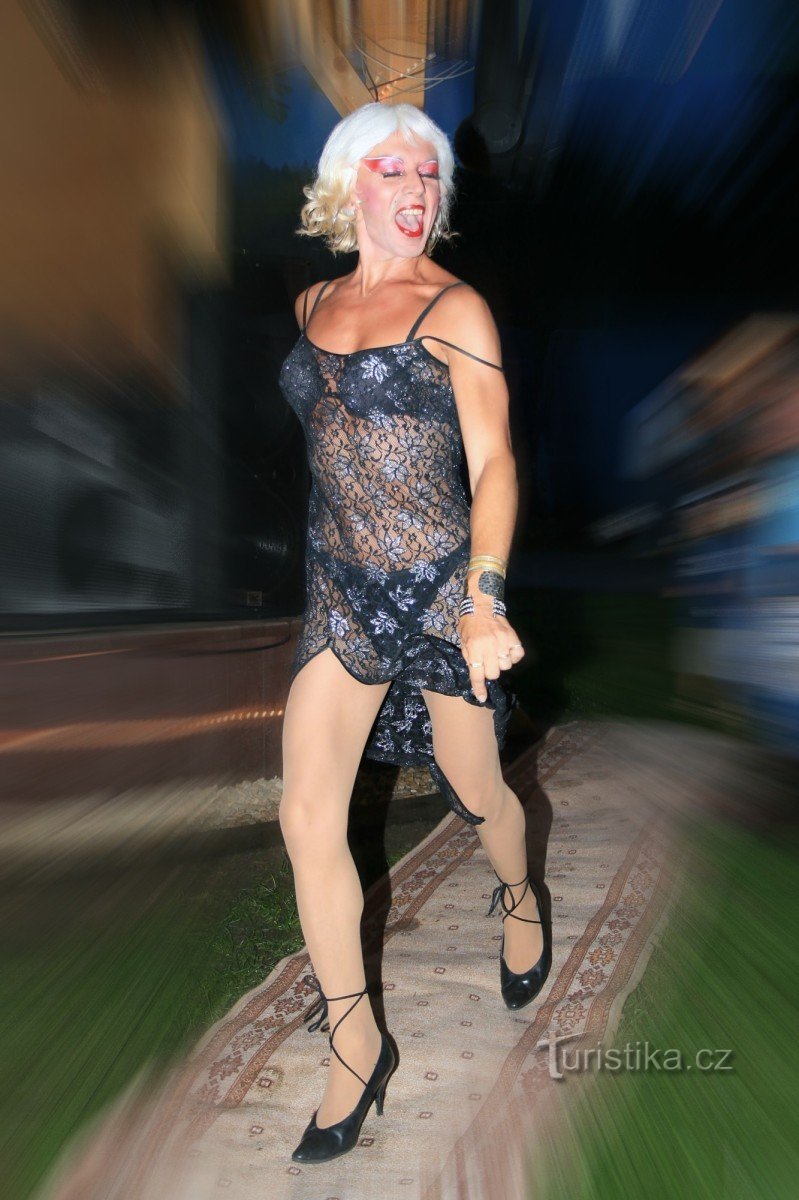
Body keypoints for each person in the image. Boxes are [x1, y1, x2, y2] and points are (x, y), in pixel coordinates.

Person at [278, 101, 551, 1165]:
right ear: (347, 183)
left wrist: (483, 600)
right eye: (393, 170)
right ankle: (357, 1046)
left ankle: (518, 894)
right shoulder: (311, 302)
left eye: (428, 174)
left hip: (440, 592)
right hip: (341, 592)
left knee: (476, 793)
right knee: (307, 816)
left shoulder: (456, 308)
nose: (416, 189)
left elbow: (495, 465)